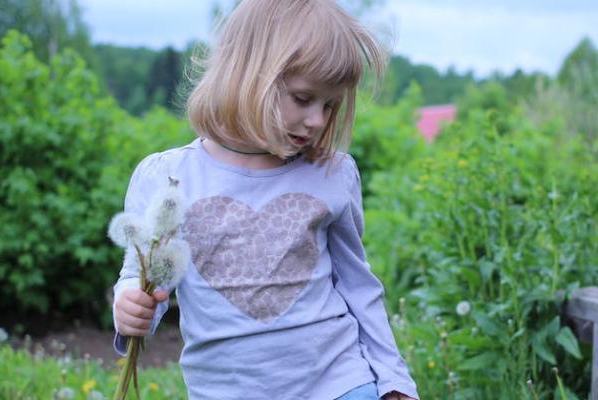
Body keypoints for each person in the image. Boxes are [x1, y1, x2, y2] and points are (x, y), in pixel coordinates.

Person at [112, 0, 419, 399]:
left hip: (339, 384)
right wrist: (130, 307)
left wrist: (394, 378)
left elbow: (358, 286)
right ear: (246, 75)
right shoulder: (169, 178)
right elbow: (145, 278)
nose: (318, 121)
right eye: (303, 98)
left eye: (330, 105)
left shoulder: (331, 173)